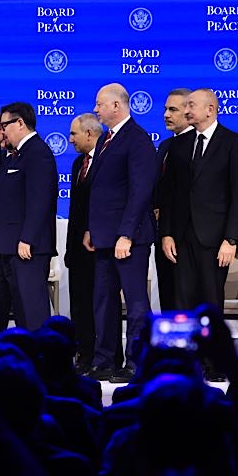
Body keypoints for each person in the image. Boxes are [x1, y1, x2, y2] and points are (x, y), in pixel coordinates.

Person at [84, 83, 155, 383]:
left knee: (136, 303)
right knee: (103, 301)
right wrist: (91, 229)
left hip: (129, 240)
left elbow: (140, 192)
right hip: (103, 238)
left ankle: (136, 363)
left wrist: (126, 235)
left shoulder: (137, 140)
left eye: (100, 104)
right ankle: (104, 360)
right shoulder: (105, 140)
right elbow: (101, 190)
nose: (96, 109)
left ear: (117, 106)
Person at [159, 89, 238, 310]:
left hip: (215, 239)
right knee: (181, 302)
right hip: (181, 238)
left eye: (191, 105)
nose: (186, 110)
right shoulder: (179, 144)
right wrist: (167, 234)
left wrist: (231, 239)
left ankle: (212, 345)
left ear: (210, 110)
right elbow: (170, 194)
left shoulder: (234, 142)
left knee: (210, 303)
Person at [0, 102, 57, 332]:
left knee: (31, 313)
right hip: (1, 248)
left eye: (4, 125)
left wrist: (28, 238)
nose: (1, 131)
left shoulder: (38, 153)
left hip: (25, 248)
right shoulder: (10, 155)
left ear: (20, 123)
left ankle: (40, 361)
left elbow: (39, 201)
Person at [65, 113, 100, 372]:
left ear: (89, 133)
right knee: (80, 305)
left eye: (74, 134)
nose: (70, 139)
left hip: (100, 247)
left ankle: (102, 357)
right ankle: (83, 356)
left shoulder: (107, 159)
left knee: (99, 305)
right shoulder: (78, 164)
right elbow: (75, 210)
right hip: (78, 249)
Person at [154, 88, 193, 311]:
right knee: (167, 296)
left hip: (186, 237)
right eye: (165, 109)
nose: (166, 115)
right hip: (162, 233)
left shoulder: (195, 146)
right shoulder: (166, 145)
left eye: (173, 110)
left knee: (183, 300)